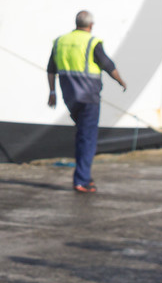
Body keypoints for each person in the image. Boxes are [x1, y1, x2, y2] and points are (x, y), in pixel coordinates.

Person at [46, 10, 128, 193]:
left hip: (70, 98)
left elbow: (50, 69)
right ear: (90, 26)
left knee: (83, 136)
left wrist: (52, 92)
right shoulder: (92, 42)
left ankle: (84, 176)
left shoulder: (60, 41)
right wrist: (120, 81)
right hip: (89, 99)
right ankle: (82, 180)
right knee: (87, 138)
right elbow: (108, 65)